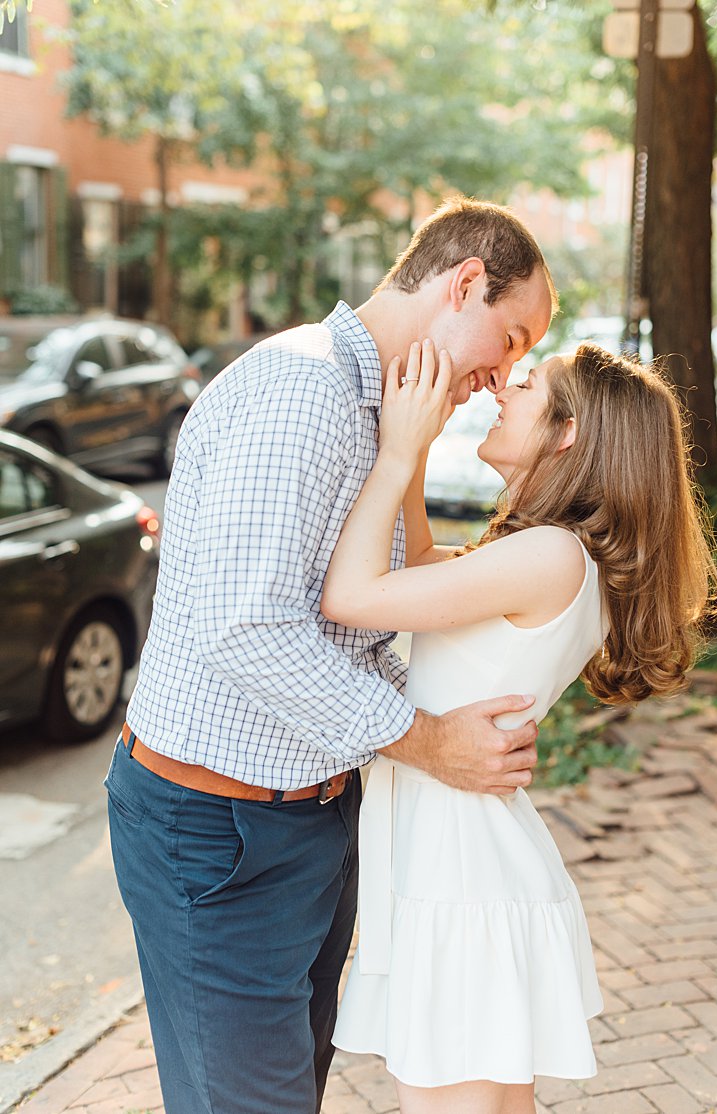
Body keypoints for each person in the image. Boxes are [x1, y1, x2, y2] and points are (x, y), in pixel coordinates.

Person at [105, 198, 557, 1113]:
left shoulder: (386, 413)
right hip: (215, 832)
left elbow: (369, 615)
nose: (504, 372)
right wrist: (427, 741)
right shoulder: (300, 392)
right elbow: (251, 629)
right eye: (510, 338)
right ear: (463, 283)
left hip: (309, 824)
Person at [324, 339, 717, 1112]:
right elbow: (425, 560)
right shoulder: (553, 556)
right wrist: (422, 444)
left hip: (460, 876)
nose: (503, 388)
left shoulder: (549, 556)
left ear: (567, 432)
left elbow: (353, 595)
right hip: (462, 861)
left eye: (529, 383)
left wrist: (399, 451)